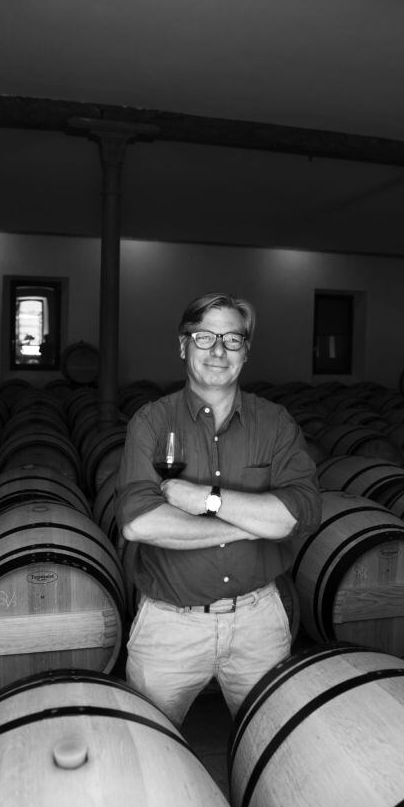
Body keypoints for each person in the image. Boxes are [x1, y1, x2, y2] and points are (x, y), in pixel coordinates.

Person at [115, 292, 321, 727]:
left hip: (259, 623)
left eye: (232, 338)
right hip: (170, 627)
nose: (217, 350)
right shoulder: (151, 422)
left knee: (272, 746)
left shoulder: (276, 422)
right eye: (204, 337)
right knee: (150, 749)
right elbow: (139, 522)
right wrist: (253, 525)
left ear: (246, 351)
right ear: (183, 345)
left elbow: (300, 512)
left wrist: (209, 500)